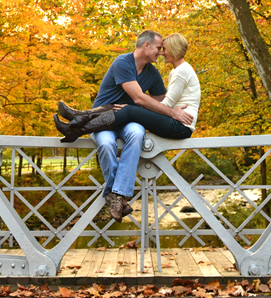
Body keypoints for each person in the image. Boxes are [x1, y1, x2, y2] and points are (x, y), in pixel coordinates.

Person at [54, 30, 195, 222]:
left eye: (163, 49)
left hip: (128, 122)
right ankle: (118, 196)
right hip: (102, 122)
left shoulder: (153, 74)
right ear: (146, 45)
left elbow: (160, 103)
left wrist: (174, 109)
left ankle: (115, 195)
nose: (160, 52)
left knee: (137, 135)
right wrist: (171, 112)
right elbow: (139, 97)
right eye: (158, 48)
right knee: (106, 144)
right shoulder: (123, 62)